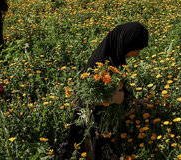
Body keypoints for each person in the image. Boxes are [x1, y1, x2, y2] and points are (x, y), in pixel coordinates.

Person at [56, 22, 149, 160]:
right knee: (87, 153)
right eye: (136, 49)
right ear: (126, 43)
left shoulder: (115, 56)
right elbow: (87, 98)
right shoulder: (100, 63)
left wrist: (132, 99)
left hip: (105, 124)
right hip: (90, 124)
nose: (137, 53)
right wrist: (114, 99)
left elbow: (120, 86)